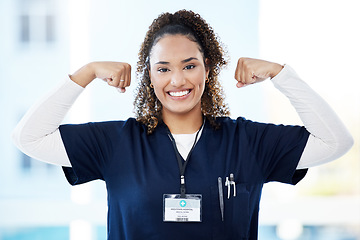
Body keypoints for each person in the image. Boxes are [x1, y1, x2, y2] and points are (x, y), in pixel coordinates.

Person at [12, 9, 353, 240]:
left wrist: (282, 75)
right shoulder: (116, 141)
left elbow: (335, 142)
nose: (177, 79)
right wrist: (84, 74)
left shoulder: (249, 140)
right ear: (150, 77)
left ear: (208, 67)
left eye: (189, 65)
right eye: (163, 68)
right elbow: (28, 137)